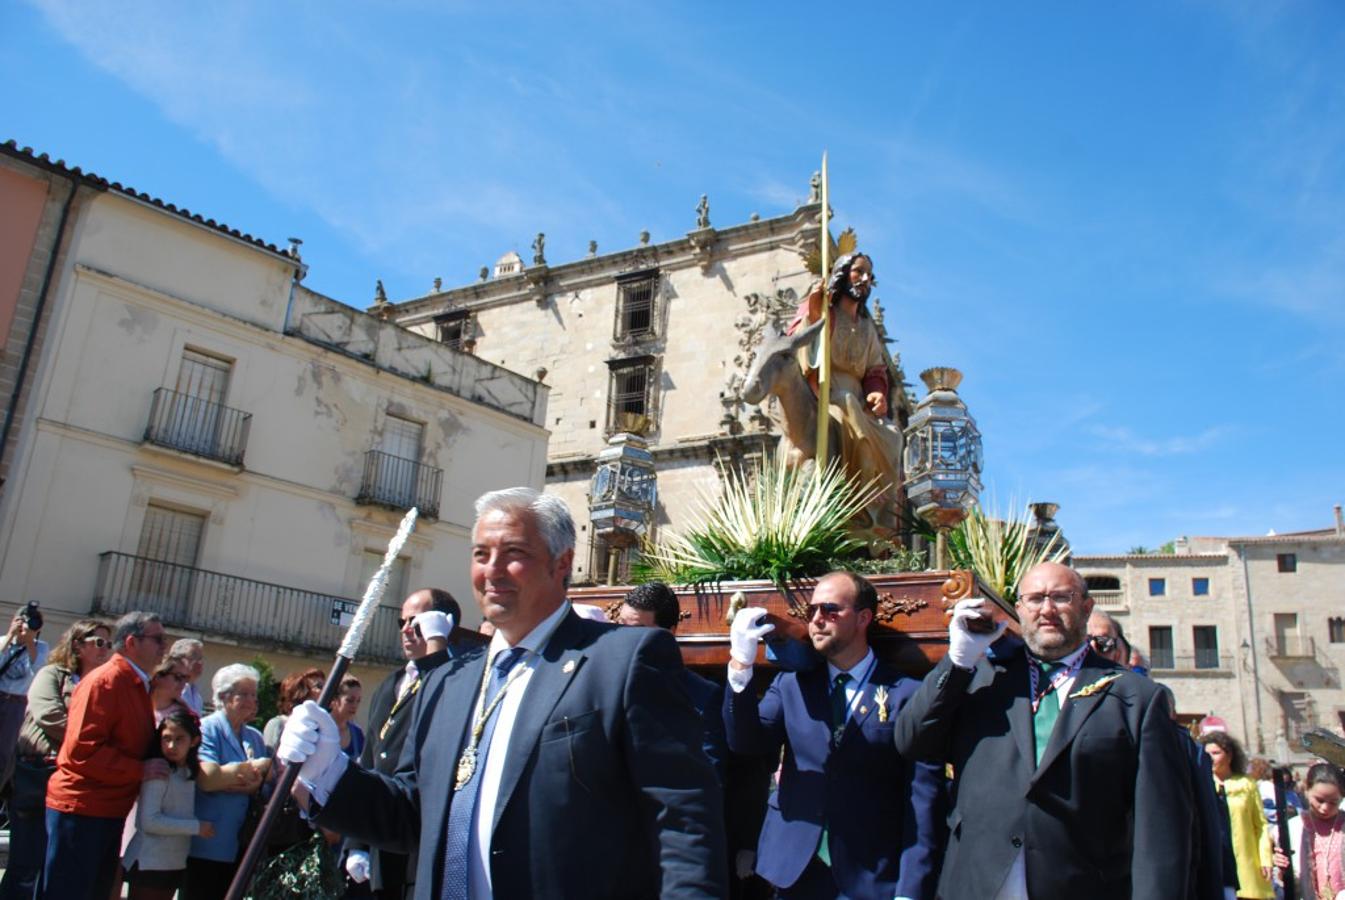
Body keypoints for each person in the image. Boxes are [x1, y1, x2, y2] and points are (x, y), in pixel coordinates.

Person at [280, 486, 727, 898]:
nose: (492, 570)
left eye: (514, 553)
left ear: (562, 564)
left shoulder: (623, 661)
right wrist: (330, 772)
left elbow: (683, 818)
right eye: (480, 553)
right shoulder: (445, 681)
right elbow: (414, 814)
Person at [894, 562, 1194, 899]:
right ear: (1019, 609)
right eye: (1035, 599)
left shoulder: (1135, 697)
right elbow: (912, 740)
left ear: (1086, 607)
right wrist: (958, 660)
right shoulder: (982, 679)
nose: (1047, 609)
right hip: (976, 884)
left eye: (1061, 597)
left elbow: (1160, 826)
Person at [722, 571, 943, 900]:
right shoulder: (791, 685)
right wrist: (741, 664)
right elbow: (747, 741)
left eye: (830, 610)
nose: (817, 620)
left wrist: (910, 890)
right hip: (794, 872)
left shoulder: (906, 694)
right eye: (811, 612)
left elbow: (922, 800)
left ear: (863, 617)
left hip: (871, 874)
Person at [39, 611, 169, 900]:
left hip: (105, 809)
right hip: (83, 809)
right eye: (158, 639)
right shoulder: (106, 681)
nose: (165, 646)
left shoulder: (135, 683)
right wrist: (140, 770)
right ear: (132, 642)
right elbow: (82, 752)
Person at [344, 588, 459, 899]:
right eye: (402, 621)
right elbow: (370, 758)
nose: (407, 629)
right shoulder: (390, 684)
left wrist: (438, 648)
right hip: (381, 834)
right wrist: (356, 842)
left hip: (420, 836)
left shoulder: (456, 677)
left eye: (418, 621)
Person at [784, 252, 903, 541]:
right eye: (858, 272)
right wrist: (814, 309)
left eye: (869, 275)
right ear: (842, 272)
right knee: (847, 415)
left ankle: (874, 511)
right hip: (825, 394)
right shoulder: (826, 312)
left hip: (858, 399)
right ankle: (850, 506)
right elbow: (798, 342)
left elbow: (875, 367)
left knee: (893, 436)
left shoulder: (866, 328)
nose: (865, 279)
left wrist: (876, 391)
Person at [0, 618, 112, 900]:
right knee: (26, 865)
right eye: (99, 643)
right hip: (38, 777)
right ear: (77, 645)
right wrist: (91, 743)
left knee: (56, 868)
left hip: (77, 785)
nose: (106, 650)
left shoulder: (105, 687)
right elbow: (48, 714)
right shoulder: (53, 674)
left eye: (109, 644)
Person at [618, 581, 728, 785]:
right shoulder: (599, 681)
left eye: (636, 630)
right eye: (619, 626)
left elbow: (704, 776)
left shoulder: (701, 697)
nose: (623, 638)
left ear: (669, 632)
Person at [183, 663, 269, 900]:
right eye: (244, 694)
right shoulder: (207, 728)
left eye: (254, 694)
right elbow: (209, 780)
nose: (252, 701)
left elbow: (262, 781)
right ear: (224, 697)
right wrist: (254, 769)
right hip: (209, 840)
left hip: (242, 841)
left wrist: (231, 776)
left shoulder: (254, 736)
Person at [122, 710, 215, 900]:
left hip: (172, 861)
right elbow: (150, 821)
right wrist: (196, 827)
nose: (171, 746)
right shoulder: (159, 772)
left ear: (194, 741)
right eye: (166, 738)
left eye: (179, 739)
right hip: (149, 862)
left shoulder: (187, 772)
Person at [1200, 731, 1274, 899]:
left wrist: (1265, 859)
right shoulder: (1202, 784)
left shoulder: (1247, 784)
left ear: (1230, 755)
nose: (1211, 758)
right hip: (1216, 863)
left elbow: (1261, 825)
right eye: (1207, 754)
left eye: (1216, 753)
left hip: (1247, 862)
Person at [1272, 762, 1345, 900]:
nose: (1325, 808)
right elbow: (1288, 880)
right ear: (1306, 790)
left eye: (1333, 802)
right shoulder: (1294, 828)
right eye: (1319, 800)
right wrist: (1282, 867)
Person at [0, 603, 50, 788]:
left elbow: (37, 672)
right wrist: (10, 638)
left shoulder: (41, 648)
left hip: (16, 703)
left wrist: (30, 641)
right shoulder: (2, 641)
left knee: (5, 751)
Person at [263, 666, 326, 752]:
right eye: (319, 686)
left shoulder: (321, 727)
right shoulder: (278, 724)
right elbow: (268, 759)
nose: (324, 692)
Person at [150, 654, 193, 724]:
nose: (183, 683)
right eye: (178, 677)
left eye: (186, 678)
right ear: (158, 677)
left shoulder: (183, 716)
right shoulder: (137, 704)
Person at [167, 639, 206, 715]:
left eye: (201, 658)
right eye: (194, 657)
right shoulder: (168, 689)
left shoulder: (197, 697)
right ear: (177, 660)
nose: (199, 662)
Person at [332, 675, 365, 761]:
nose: (355, 706)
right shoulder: (321, 729)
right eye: (350, 700)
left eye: (358, 701)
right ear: (335, 699)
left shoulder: (357, 734)